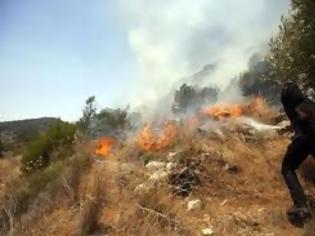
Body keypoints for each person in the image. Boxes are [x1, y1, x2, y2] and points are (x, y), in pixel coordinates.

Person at [281, 82, 315, 219]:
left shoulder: (292, 104)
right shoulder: (308, 103)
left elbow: (304, 125)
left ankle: (301, 205)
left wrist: (297, 135)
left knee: (287, 167)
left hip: (307, 137)